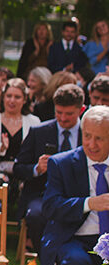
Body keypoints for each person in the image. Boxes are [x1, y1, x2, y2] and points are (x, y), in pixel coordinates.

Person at [39, 105, 109, 265]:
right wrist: (89, 203)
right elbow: (50, 207)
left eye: (99, 138)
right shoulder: (62, 163)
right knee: (75, 264)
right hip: (74, 238)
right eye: (87, 136)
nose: (91, 144)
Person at [13, 84, 85, 255]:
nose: (63, 118)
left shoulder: (88, 135)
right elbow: (18, 169)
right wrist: (36, 169)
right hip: (42, 195)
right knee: (35, 216)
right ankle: (46, 259)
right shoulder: (39, 132)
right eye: (58, 112)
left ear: (81, 110)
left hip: (79, 196)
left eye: (69, 114)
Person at [0, 79, 40, 201]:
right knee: (0, 182)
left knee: (27, 187)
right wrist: (0, 148)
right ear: (3, 97)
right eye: (8, 96)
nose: (12, 100)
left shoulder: (34, 121)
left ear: (24, 99)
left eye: (17, 97)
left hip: (22, 169)